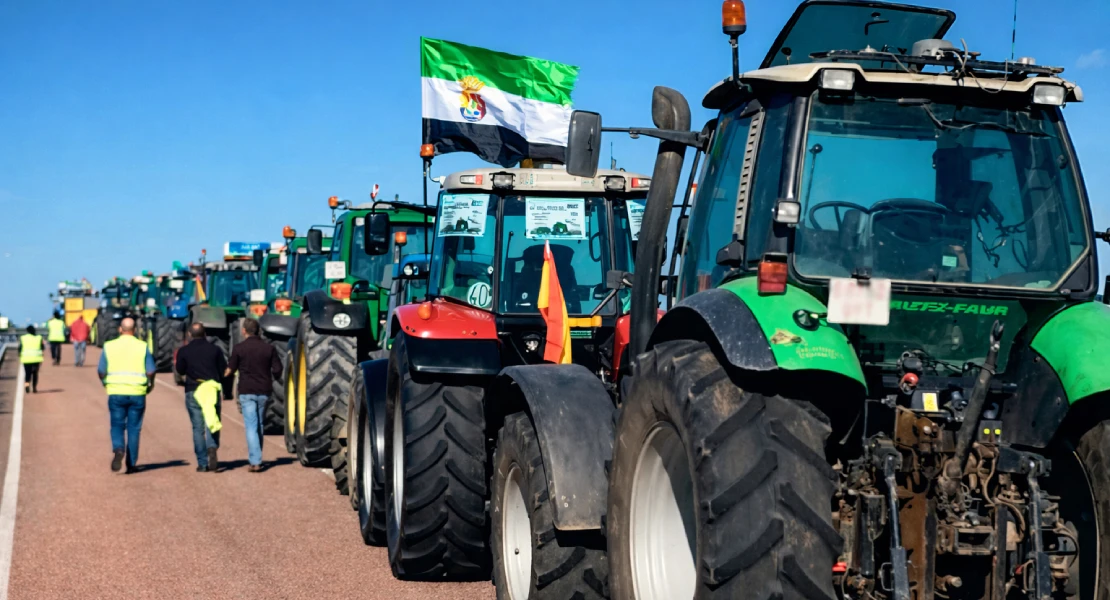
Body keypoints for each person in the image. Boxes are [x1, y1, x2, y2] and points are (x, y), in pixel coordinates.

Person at [98, 318, 155, 473]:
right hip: (137, 392)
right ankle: (131, 463)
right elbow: (150, 370)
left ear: (120, 329)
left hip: (116, 391)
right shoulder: (142, 346)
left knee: (117, 425)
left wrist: (105, 382)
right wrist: (151, 384)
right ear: (134, 330)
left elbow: (101, 370)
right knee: (134, 428)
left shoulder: (109, 346)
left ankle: (118, 448)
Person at [225, 319, 281, 472]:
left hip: (246, 391)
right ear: (258, 331)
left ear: (244, 331)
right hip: (264, 391)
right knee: (259, 425)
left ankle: (255, 461)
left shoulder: (239, 348)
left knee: (251, 426)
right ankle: (257, 456)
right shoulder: (269, 348)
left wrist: (223, 381)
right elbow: (277, 370)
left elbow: (230, 369)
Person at [175, 323, 227, 472]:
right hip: (211, 390)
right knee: (212, 421)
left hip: (193, 390)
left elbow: (180, 370)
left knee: (198, 428)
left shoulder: (184, 351)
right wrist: (226, 391)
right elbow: (223, 370)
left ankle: (202, 463)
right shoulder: (215, 350)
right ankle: (212, 447)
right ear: (205, 334)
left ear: (190, 335)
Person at [18, 325, 44, 394]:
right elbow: (42, 347)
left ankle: (27, 386)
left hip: (26, 359)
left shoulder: (23, 338)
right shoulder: (39, 338)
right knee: (35, 374)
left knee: (27, 374)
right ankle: (34, 387)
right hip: (36, 359)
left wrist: (19, 355)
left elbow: (20, 348)